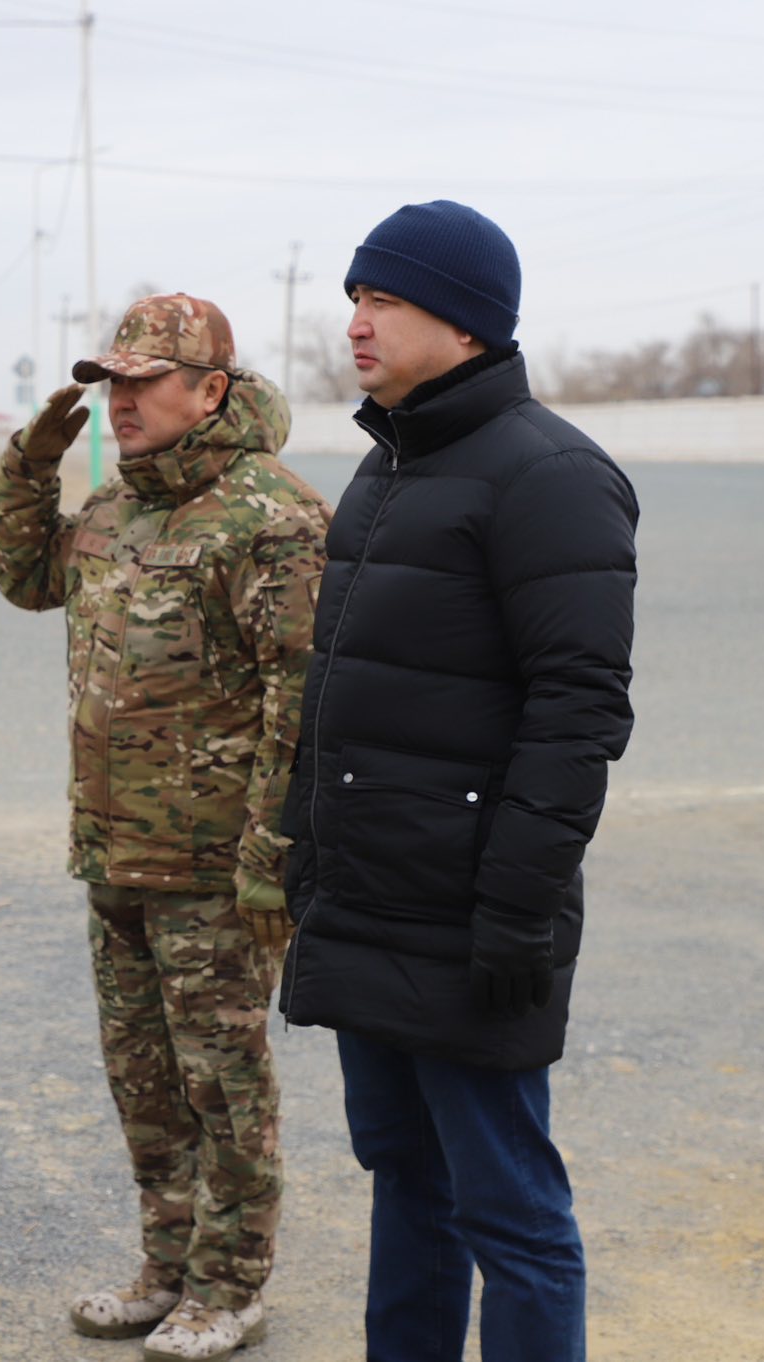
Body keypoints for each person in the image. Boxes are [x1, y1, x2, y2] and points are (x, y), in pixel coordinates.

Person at [277, 200, 638, 1361]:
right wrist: (305, 865)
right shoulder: (386, 468)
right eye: (352, 298)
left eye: (383, 298)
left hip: (469, 914)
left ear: (466, 322)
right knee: (403, 1175)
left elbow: (576, 712)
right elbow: (340, 695)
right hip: (370, 899)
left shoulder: (549, 476)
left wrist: (515, 910)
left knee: (508, 1210)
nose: (355, 322)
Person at [0, 294, 332, 1361]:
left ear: (209, 389)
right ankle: (166, 1267)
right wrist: (27, 465)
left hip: (216, 866)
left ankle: (230, 1286)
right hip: (116, 850)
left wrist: (272, 853)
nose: (121, 402)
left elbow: (300, 700)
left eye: (143, 383)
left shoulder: (271, 516)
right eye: (111, 384)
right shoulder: (117, 506)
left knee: (221, 1083)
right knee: (142, 1079)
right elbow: (26, 579)